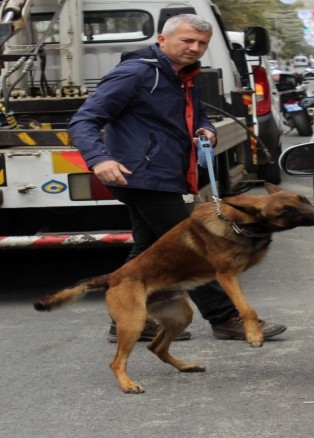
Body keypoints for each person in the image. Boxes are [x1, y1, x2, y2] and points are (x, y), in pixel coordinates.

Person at [68, 14, 286, 343]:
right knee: (199, 247)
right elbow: (84, 120)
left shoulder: (183, 75)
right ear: (163, 40)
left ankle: (126, 320)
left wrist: (207, 130)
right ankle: (226, 317)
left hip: (164, 173)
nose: (194, 48)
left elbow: (197, 116)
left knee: (146, 249)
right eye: (187, 41)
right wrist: (99, 158)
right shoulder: (137, 73)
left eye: (202, 44)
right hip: (141, 174)